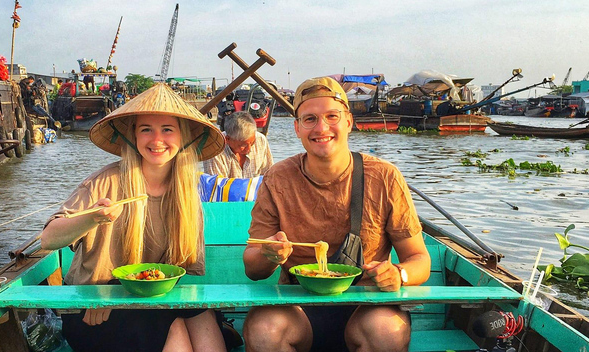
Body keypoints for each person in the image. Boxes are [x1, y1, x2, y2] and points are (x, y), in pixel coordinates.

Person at [242, 77, 431, 352]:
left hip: (367, 305)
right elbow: (252, 268)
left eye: (332, 116)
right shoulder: (278, 179)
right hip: (298, 308)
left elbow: (420, 260)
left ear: (349, 122)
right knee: (264, 331)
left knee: (386, 332)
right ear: (297, 128)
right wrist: (269, 255)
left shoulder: (384, 176)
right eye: (310, 119)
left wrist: (399, 275)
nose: (322, 128)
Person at [40, 83, 227, 352]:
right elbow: (48, 239)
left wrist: (125, 296)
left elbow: (180, 274)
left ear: (183, 137)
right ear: (133, 136)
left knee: (201, 315)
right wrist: (91, 219)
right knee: (173, 324)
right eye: (146, 129)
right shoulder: (106, 182)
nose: (156, 140)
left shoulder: (186, 193)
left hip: (152, 300)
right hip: (93, 310)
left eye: (167, 130)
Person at [202, 112, 273, 178]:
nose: (249, 149)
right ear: (227, 139)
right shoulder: (214, 150)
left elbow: (268, 175)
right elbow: (217, 186)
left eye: (252, 143)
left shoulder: (260, 139)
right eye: (243, 145)